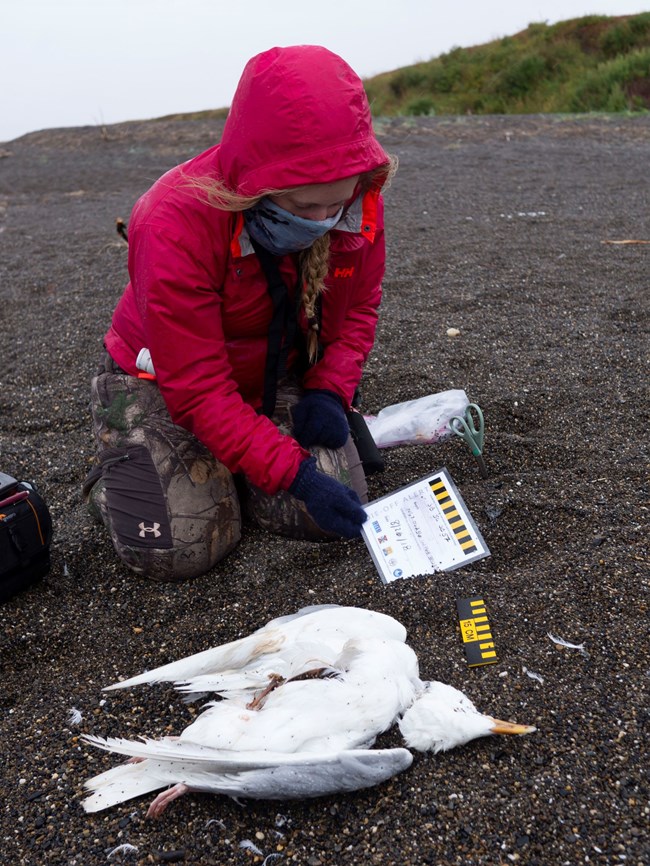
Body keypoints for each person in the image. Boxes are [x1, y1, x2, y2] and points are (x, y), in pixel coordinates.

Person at [83, 45, 397, 582]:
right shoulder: (172, 220)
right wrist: (294, 473)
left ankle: (229, 467)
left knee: (331, 511)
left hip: (272, 372)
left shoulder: (359, 198)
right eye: (303, 208)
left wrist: (329, 391)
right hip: (163, 381)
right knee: (182, 548)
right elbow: (197, 386)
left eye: (335, 204)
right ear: (259, 183)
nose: (323, 222)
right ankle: (125, 465)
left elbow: (358, 308)